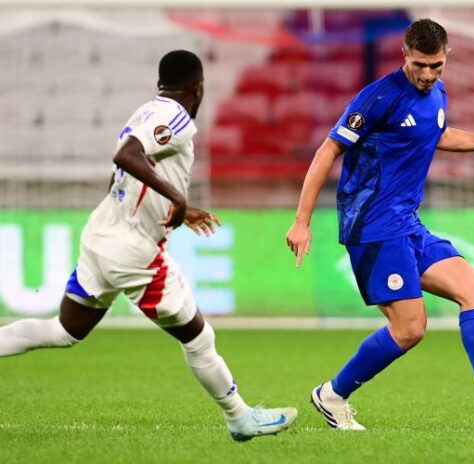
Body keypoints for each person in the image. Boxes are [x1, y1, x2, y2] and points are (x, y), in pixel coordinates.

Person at [0, 50, 296, 441]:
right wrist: (177, 198)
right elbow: (126, 155)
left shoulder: (145, 111)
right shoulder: (178, 117)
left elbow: (121, 173)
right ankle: (240, 418)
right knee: (199, 337)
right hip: (133, 251)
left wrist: (176, 209)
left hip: (102, 233)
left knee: (63, 331)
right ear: (198, 88)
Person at [286, 19, 474, 431]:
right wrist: (302, 222)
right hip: (373, 225)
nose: (427, 74)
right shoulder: (379, 97)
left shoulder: (437, 92)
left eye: (435, 65)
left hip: (407, 223)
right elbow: (328, 150)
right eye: (419, 65)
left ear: (446, 57)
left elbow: (436, 133)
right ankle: (332, 395)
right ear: (404, 54)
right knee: (410, 329)